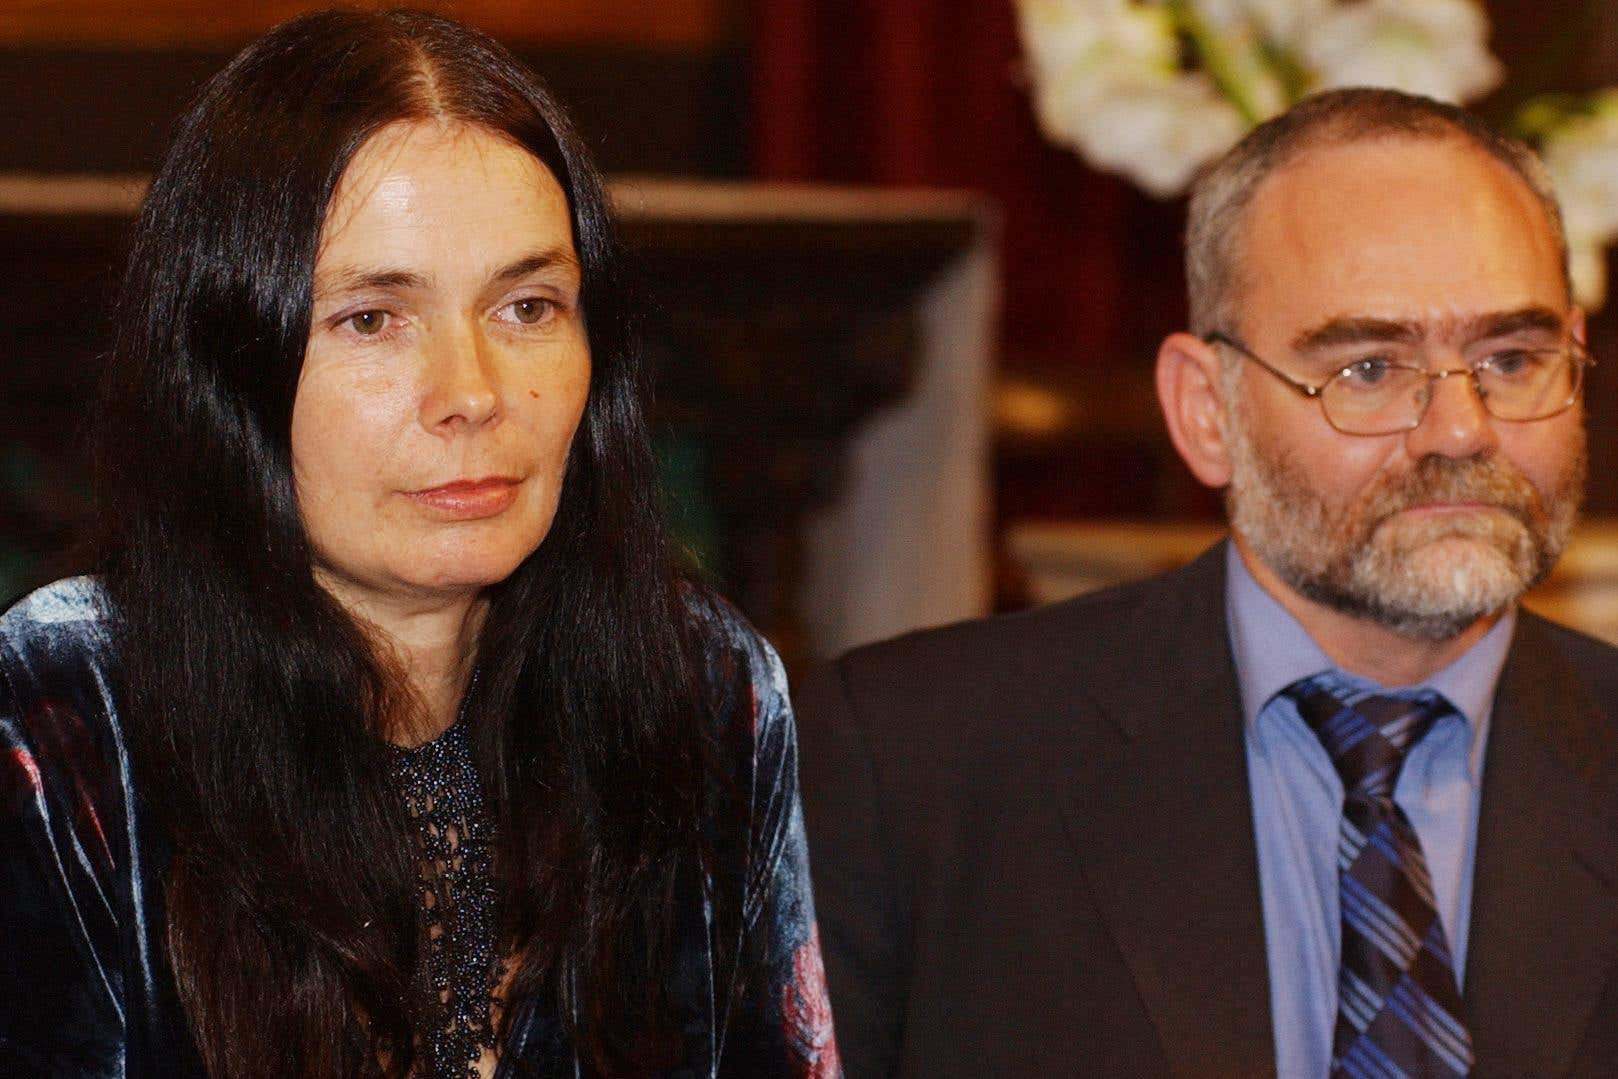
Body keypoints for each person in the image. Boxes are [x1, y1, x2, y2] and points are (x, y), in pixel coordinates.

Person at [0, 10, 839, 1078]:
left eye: (528, 305)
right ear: (224, 364)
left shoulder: (702, 686)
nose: (473, 393)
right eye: (371, 319)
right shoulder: (68, 703)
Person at [799, 87, 1618, 1077]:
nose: (1460, 428)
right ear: (1205, 411)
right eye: (1367, 367)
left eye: (1511, 357)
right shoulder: (911, 762)